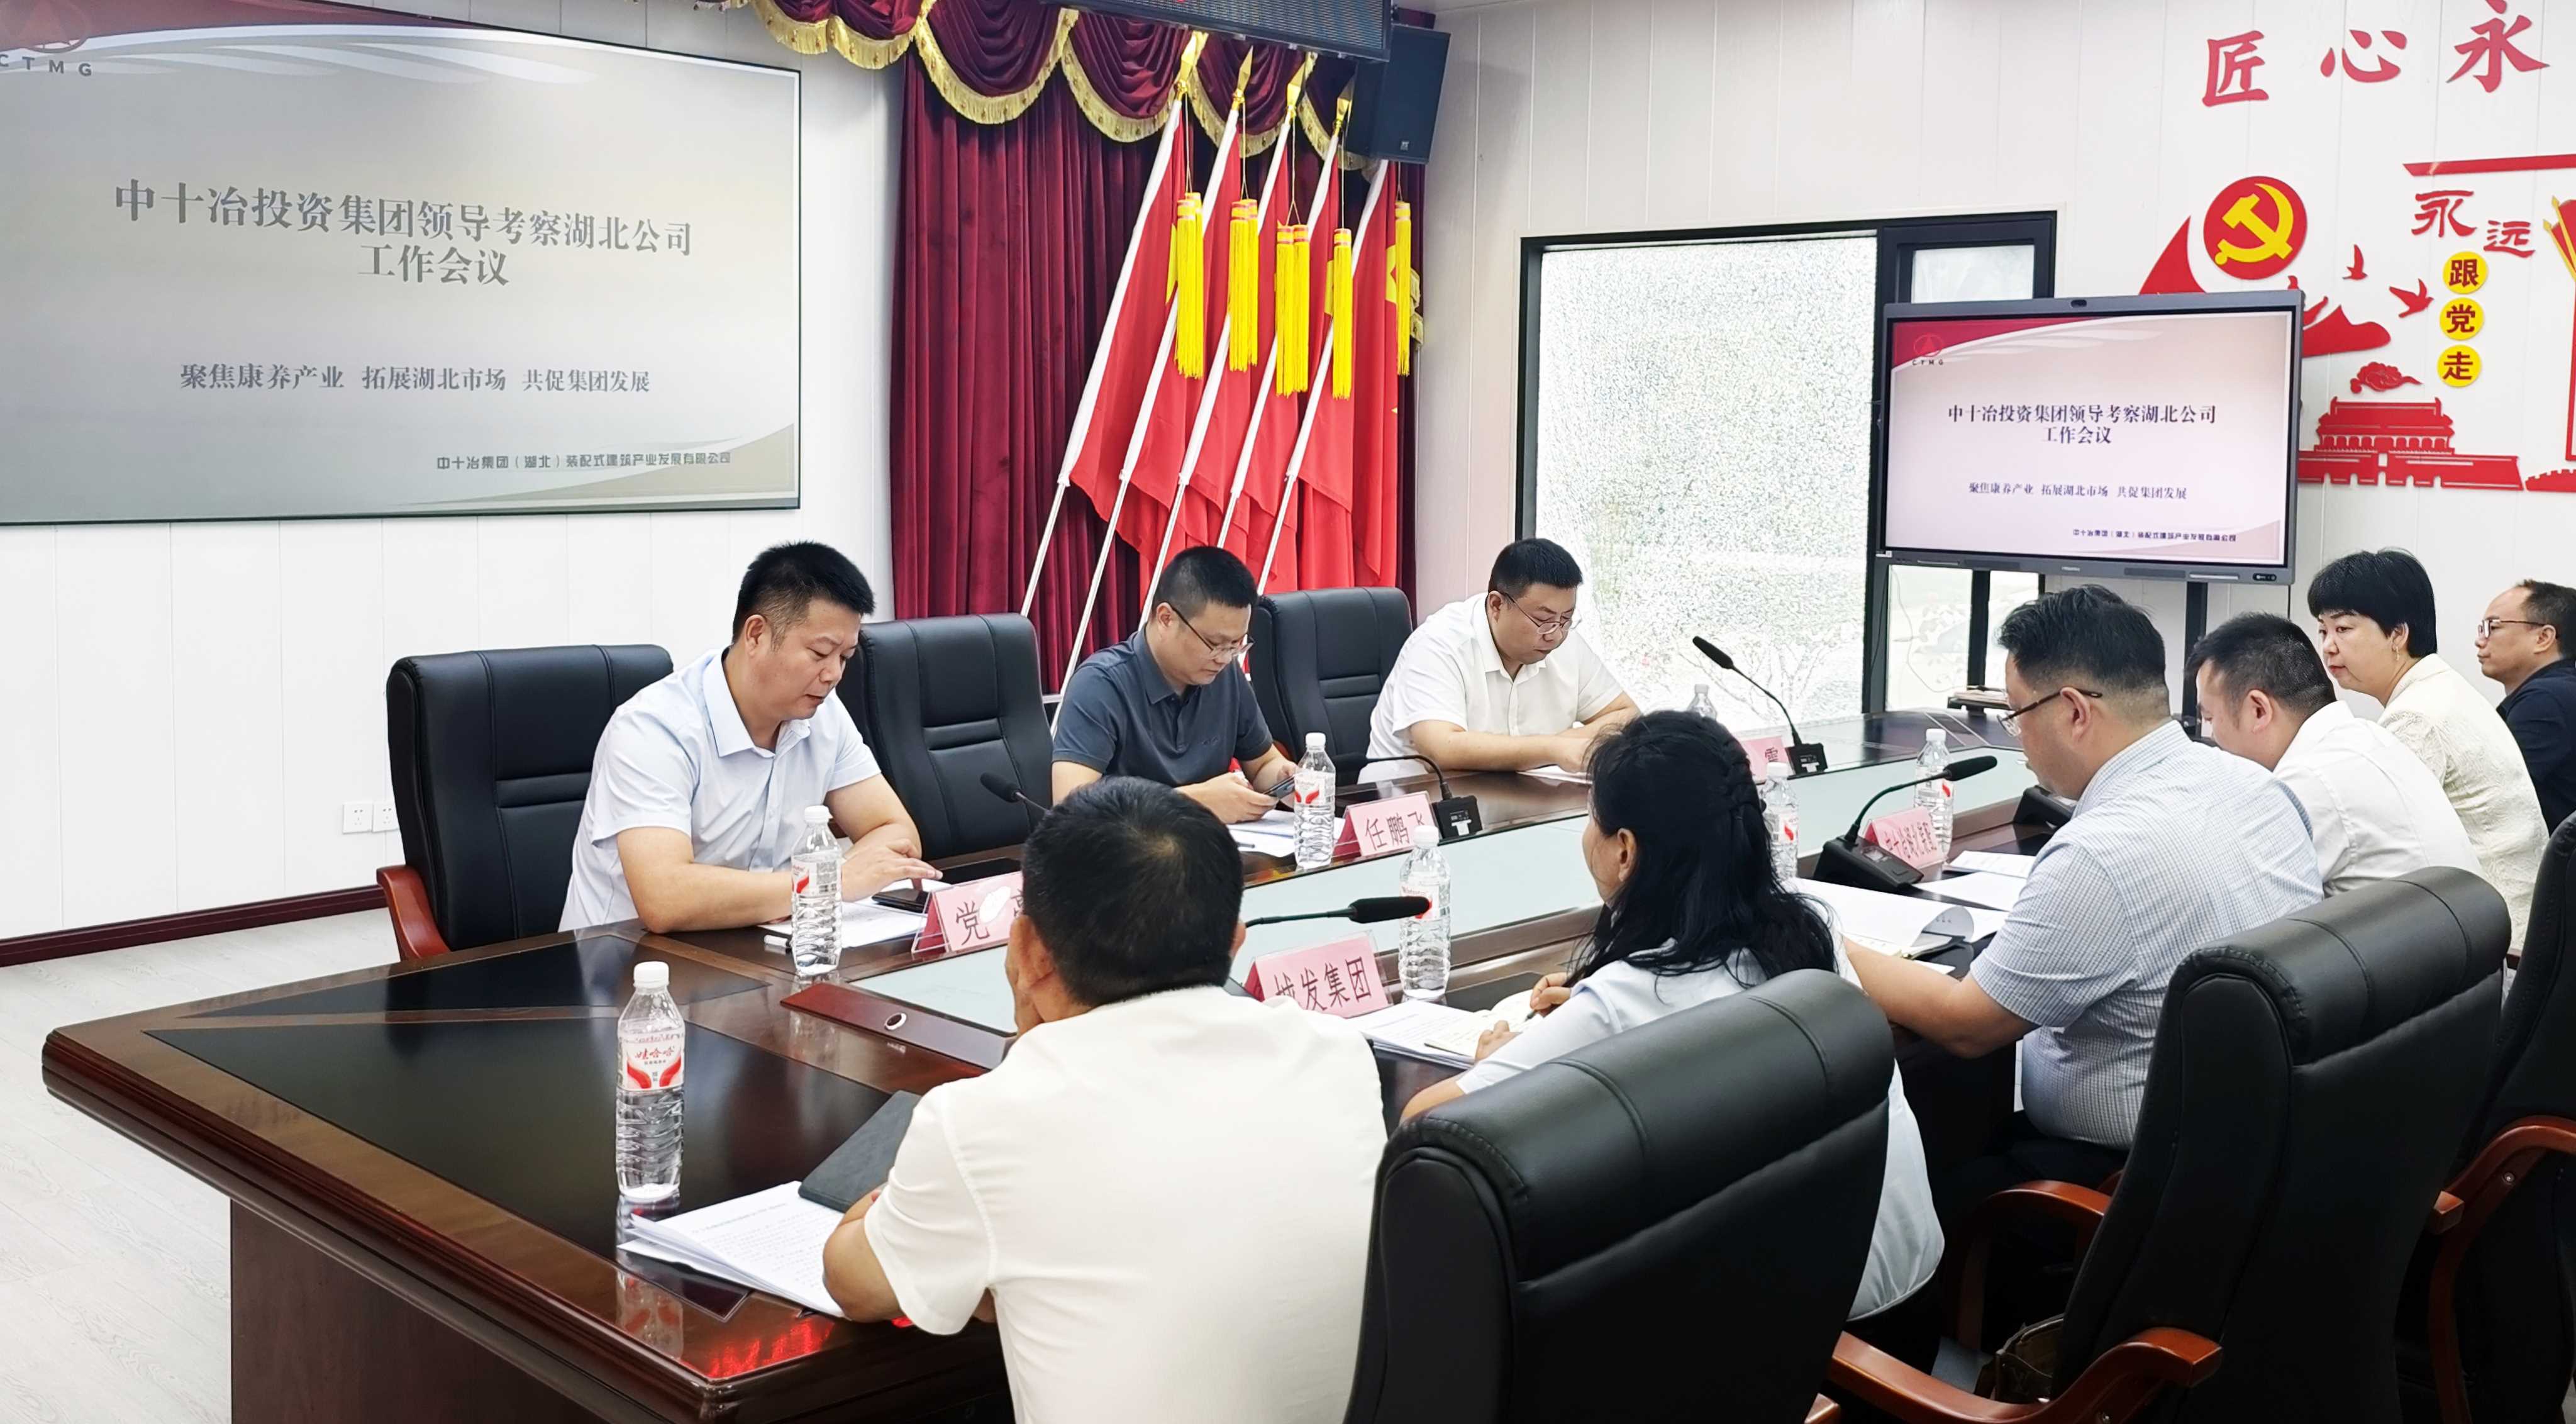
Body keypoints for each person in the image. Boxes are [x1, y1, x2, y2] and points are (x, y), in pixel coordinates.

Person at [821, 778, 1385, 1424]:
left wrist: (941, 1219)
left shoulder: (985, 1119)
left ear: (1026, 948)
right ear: (1234, 941)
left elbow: (853, 1282)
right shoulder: (1338, 1054)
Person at [1398, 711, 1946, 1366]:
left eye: (1592, 819)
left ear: (1624, 850)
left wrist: (1498, 1073)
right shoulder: (1811, 930)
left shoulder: (1630, 995)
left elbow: (1425, 1130)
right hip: (1915, 1313)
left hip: (1816, 1364)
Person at [1845, 586, 2320, 1201]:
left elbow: (1964, 1025)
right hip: (2250, 1155)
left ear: (2072, 711)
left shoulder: (2100, 853)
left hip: (2123, 1185)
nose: (2018, 738)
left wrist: (1827, 937)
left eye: (2016, 715)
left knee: (1911, 1193)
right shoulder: (2257, 787)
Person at [561, 543, 935, 933]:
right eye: (820, 653)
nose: (834, 675)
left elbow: (896, 832)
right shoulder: (654, 728)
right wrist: (831, 882)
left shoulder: (823, 714)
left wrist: (828, 881)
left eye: (845, 658)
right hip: (624, 957)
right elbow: (665, 898)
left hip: (755, 946)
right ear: (756, 635)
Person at [2310, 549, 2544, 945]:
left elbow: (2374, 846)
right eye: (2323, 631)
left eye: (2344, 629)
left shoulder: (2417, 716)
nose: (2329, 646)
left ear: (2397, 635)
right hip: (2509, 921)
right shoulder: (2439, 688)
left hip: (2498, 939)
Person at [2190, 612, 2480, 895]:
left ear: (2259, 711)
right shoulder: (2369, 738)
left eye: (2211, 718)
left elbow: (2234, 895)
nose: (2212, 736)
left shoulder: (2309, 781)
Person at [1051, 546, 1298, 823]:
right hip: (1129, 848)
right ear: (1166, 618)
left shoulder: (1225, 674)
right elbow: (1070, 807)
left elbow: (1263, 763)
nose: (1224, 658)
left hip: (1213, 844)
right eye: (1214, 644)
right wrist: (1191, 802)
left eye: (1236, 644)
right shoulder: (1101, 684)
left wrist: (1285, 779)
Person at [1367, 538, 1638, 776]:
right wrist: (1553, 749)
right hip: (1411, 800)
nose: (1556, 635)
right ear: (1497, 605)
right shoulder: (1440, 643)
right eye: (1543, 620)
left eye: (1566, 619)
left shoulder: (1563, 641)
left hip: (1514, 797)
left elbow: (1626, 714)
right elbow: (1441, 748)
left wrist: (1561, 742)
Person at [2476, 577, 2576, 833]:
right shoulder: (2559, 692)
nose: (2480, 641)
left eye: (2493, 627)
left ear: (2543, 638)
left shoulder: (2546, 701)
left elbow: (2489, 797)